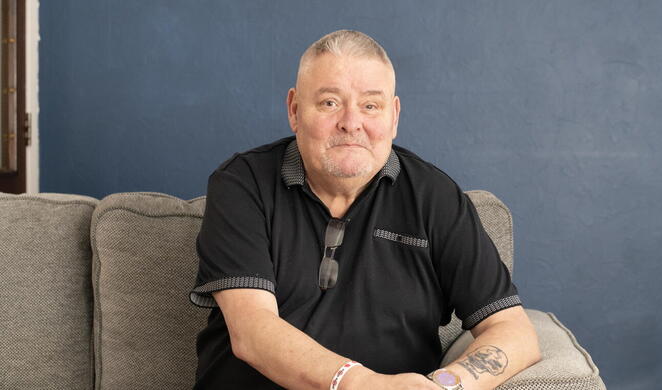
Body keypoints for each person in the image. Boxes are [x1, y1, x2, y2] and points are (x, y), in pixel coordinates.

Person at [189, 30, 541, 390]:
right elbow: (252, 331)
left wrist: (447, 384)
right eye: (329, 103)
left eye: (371, 105)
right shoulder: (242, 183)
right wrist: (364, 384)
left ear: (394, 116)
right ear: (294, 110)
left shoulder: (435, 198)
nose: (351, 123)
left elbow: (511, 329)